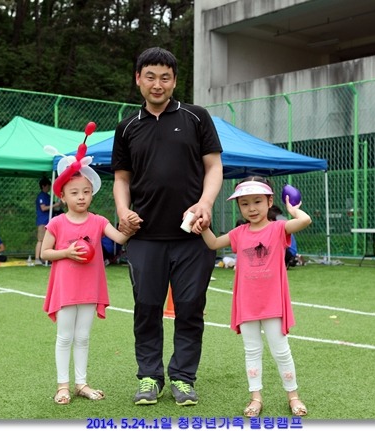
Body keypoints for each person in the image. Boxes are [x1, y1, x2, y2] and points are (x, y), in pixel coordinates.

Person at [111, 46, 223, 406]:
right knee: (146, 308)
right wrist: (123, 210)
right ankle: (149, 376)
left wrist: (205, 204)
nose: (157, 84)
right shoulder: (127, 127)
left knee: (190, 308)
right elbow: (122, 179)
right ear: (138, 79)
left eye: (165, 77)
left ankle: (184, 378)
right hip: (144, 237)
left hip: (193, 237)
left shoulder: (196, 117)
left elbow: (214, 167)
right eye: (150, 76)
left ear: (174, 81)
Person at [192, 177, 312, 418]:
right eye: (245, 204)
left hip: (273, 304)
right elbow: (213, 243)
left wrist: (293, 210)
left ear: (270, 202)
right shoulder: (239, 233)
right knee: (252, 351)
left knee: (281, 351)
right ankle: (255, 397)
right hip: (247, 304)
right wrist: (203, 227)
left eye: (258, 201)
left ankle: (293, 396)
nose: (252, 208)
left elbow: (305, 221)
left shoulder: (278, 228)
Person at [41, 141, 131, 405]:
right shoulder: (56, 223)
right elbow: (45, 253)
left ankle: (81, 384)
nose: (81, 197)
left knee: (82, 337)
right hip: (66, 289)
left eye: (86, 192)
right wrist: (66, 253)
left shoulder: (99, 221)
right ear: (63, 196)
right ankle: (63, 386)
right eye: (74, 192)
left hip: (90, 288)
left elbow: (120, 238)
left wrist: (130, 224)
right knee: (65, 337)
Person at [35, 177, 61, 265]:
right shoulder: (41, 196)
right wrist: (55, 205)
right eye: (48, 186)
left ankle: (45, 259)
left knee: (48, 240)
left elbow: (53, 207)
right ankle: (37, 258)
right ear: (43, 186)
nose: (49, 188)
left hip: (49, 221)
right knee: (40, 240)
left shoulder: (48, 196)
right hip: (43, 220)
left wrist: (58, 204)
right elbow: (43, 208)